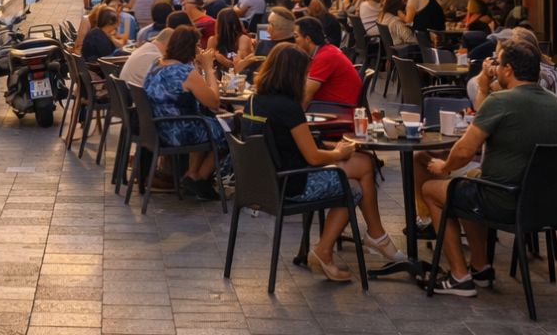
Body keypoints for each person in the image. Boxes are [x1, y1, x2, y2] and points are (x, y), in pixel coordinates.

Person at [420, 40, 557, 296]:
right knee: (468, 182)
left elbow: (464, 151)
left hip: (505, 201)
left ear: (508, 69)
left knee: (432, 190)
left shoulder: (500, 100)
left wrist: (445, 166)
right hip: (549, 204)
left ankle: (459, 276)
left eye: (498, 64)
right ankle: (480, 268)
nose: (495, 68)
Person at [245, 45, 405, 279]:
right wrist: (339, 153)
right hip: (291, 184)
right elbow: (313, 157)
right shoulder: (289, 108)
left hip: (262, 184)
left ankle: (331, 249)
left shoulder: (254, 101)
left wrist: (335, 148)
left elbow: (290, 143)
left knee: (355, 182)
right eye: (304, 74)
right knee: (364, 167)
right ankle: (371, 236)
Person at [141, 25, 225, 200]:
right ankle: (200, 177)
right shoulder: (186, 72)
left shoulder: (156, 65)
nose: (199, 49)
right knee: (229, 128)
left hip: (155, 129)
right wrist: (209, 69)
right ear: (190, 47)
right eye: (197, 45)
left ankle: (192, 174)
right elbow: (214, 103)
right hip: (176, 133)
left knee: (204, 121)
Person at [295, 17, 360, 107]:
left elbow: (306, 95)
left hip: (338, 109)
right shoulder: (327, 50)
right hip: (333, 104)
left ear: (308, 39)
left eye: (296, 36)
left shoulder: (324, 57)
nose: (293, 41)